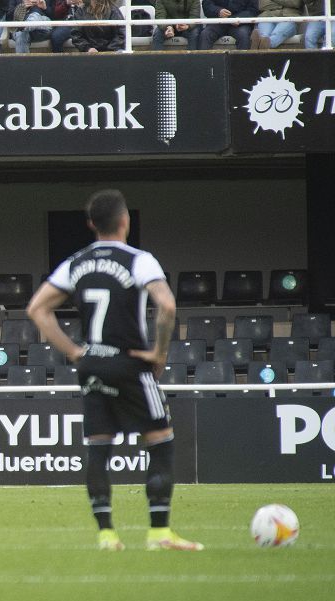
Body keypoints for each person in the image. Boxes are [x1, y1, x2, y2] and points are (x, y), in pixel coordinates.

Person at [26, 190, 203, 552]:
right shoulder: (139, 260)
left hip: (92, 365)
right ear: (126, 221)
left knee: (98, 449)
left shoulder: (75, 262)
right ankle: (159, 533)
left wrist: (74, 352)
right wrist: (159, 352)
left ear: (92, 224)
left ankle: (107, 535)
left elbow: (37, 309)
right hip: (129, 363)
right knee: (161, 442)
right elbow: (166, 306)